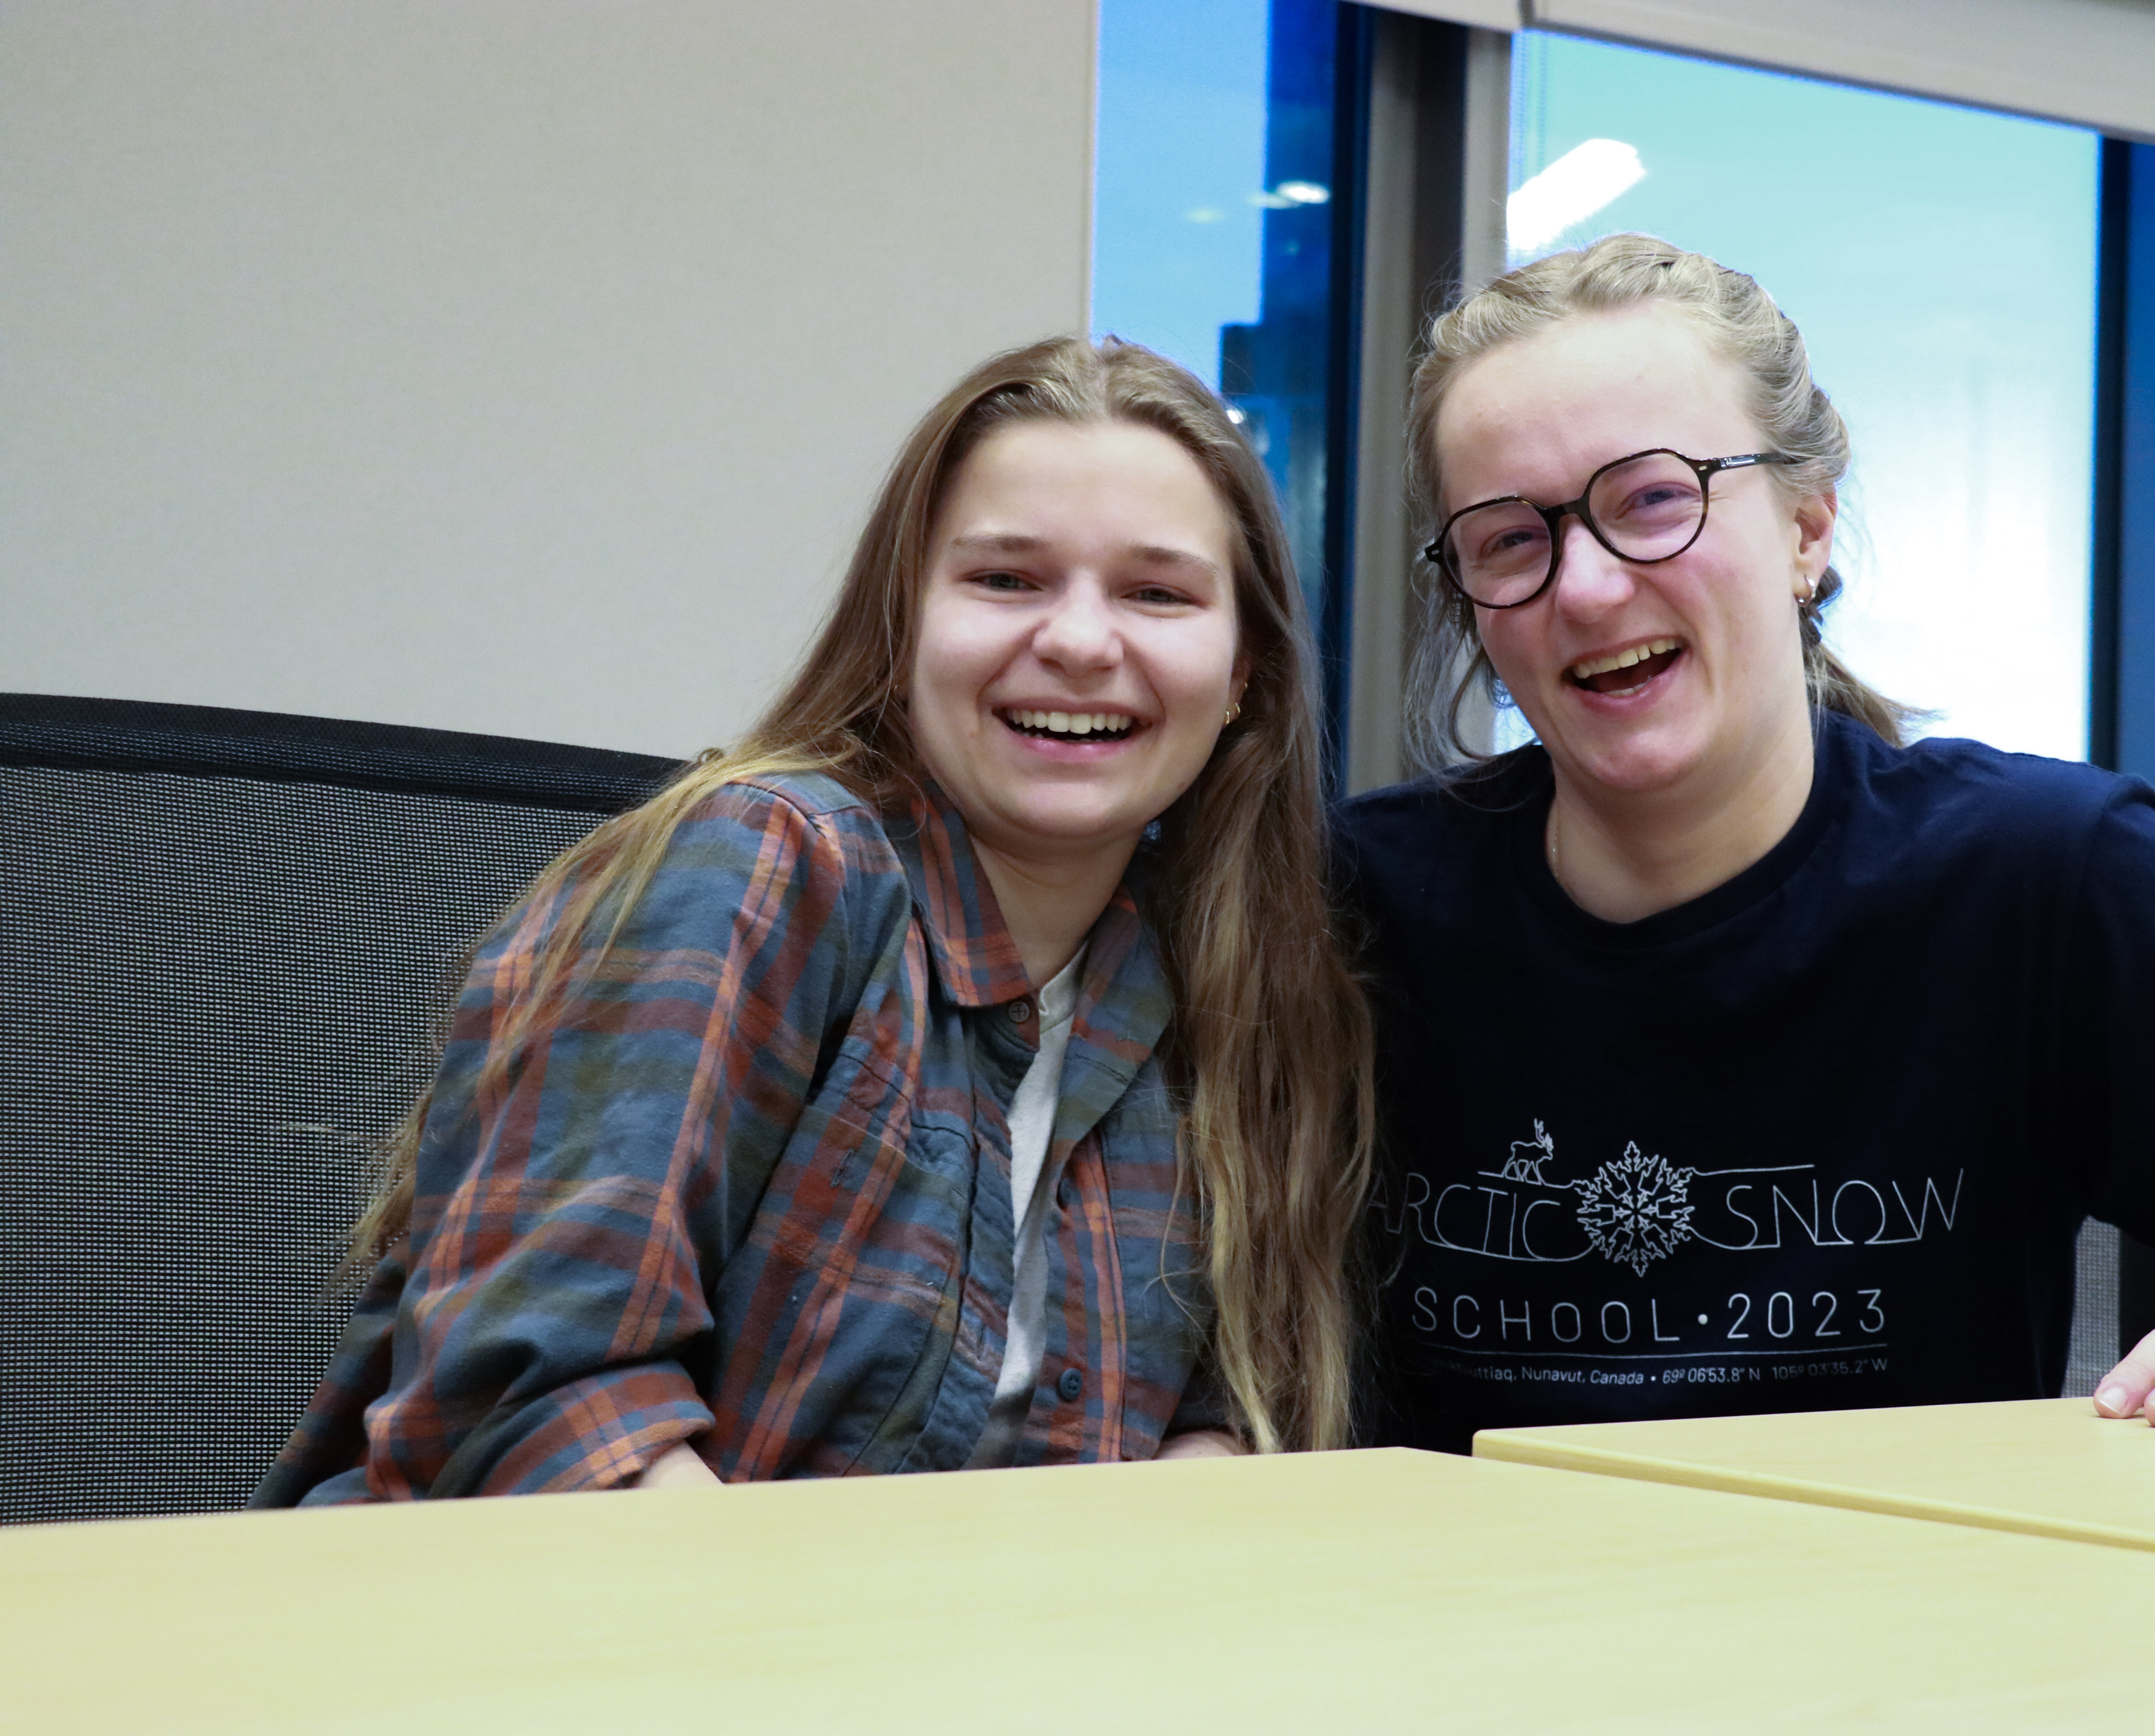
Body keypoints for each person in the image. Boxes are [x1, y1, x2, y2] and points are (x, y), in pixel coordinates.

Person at [1334, 235, 2155, 1455]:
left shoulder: (2048, 877)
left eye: (1654, 499)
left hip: (1914, 1635)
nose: (1590, 586)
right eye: (1510, 539)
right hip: (1473, 1633)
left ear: (1808, 529)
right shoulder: (1359, 904)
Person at [257, 336, 1372, 1502]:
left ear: (1243, 670)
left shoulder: (1231, 975)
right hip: (586, 1643)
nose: (1083, 642)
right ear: (900, 630)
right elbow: (535, 1401)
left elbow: (1229, 1404)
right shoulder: (765, 866)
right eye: (1007, 580)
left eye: (1157, 593)